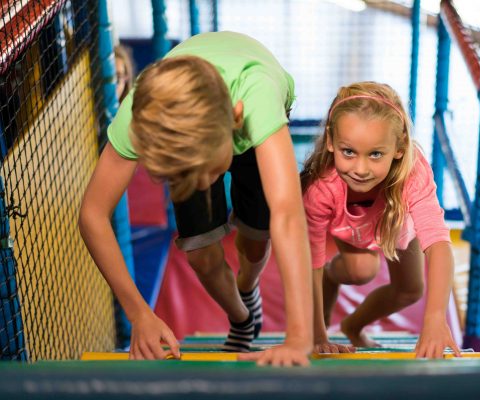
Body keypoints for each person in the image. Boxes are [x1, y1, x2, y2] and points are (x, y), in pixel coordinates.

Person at [79, 31, 313, 366]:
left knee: (257, 241)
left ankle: (249, 286)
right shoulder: (141, 116)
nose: (203, 184)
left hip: (247, 111)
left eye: (207, 170)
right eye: (188, 177)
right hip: (195, 124)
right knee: (201, 254)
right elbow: (92, 215)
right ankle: (242, 318)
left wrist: (299, 336)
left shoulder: (258, 98)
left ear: (235, 118)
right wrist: (139, 313)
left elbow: (288, 216)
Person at [301, 81, 460, 358]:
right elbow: (310, 261)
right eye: (348, 152)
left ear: (399, 148)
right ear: (330, 141)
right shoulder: (321, 188)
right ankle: (334, 276)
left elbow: (438, 243)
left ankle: (353, 325)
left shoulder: (412, 172)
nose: (361, 169)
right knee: (361, 269)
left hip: (396, 221)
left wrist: (435, 318)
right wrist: (316, 334)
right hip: (350, 226)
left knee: (410, 290)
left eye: (376, 154)